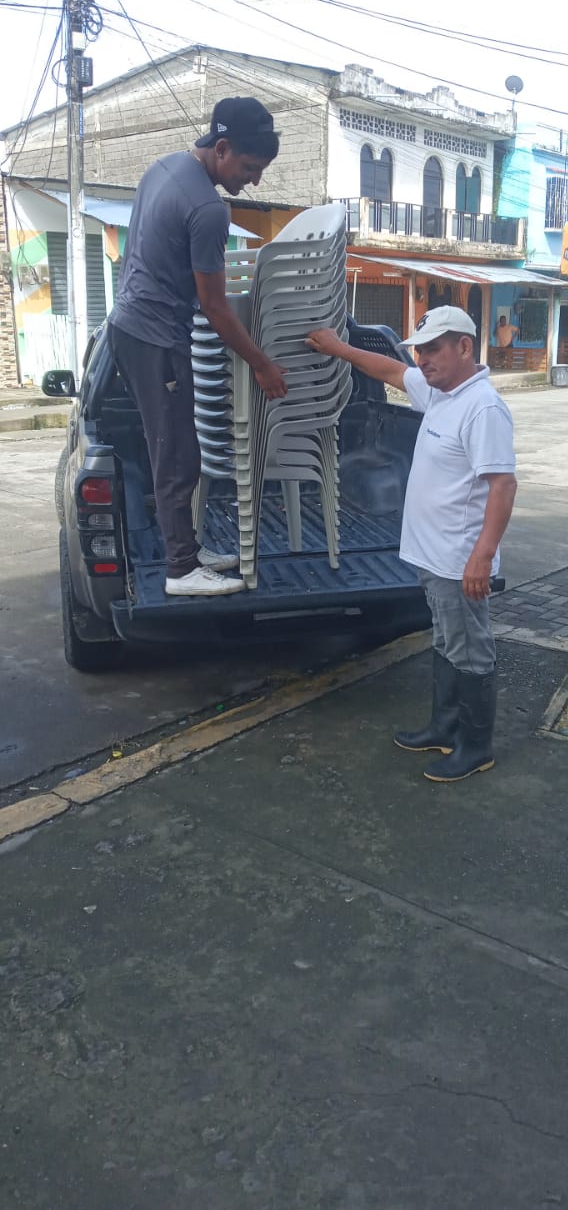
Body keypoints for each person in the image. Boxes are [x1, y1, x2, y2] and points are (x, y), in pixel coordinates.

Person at [306, 305, 517, 783]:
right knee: (446, 641)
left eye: (433, 349)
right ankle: (444, 728)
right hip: (431, 555)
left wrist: (482, 556)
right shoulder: (441, 391)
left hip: (459, 560)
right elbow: (389, 370)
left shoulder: (482, 407)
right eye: (419, 351)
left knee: (470, 650)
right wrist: (338, 348)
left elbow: (503, 486)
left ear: (465, 346)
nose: (422, 360)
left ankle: (475, 746)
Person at [108, 97, 288, 598]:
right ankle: (181, 569)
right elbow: (215, 307)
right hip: (155, 338)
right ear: (222, 148)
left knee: (177, 447)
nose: (254, 181)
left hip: (129, 325)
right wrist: (263, 366)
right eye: (250, 168)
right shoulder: (208, 209)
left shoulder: (164, 168)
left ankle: (186, 548)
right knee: (177, 456)